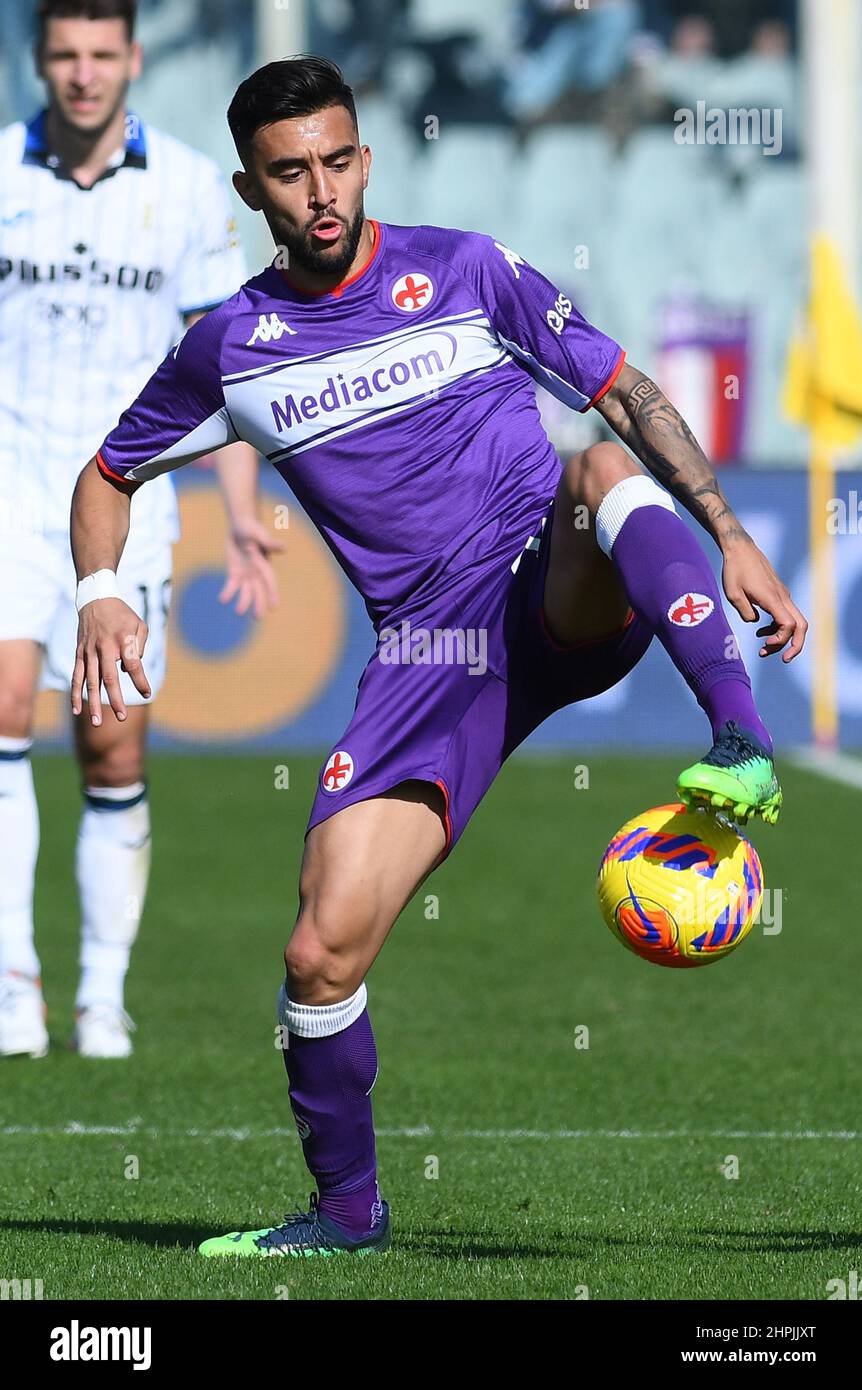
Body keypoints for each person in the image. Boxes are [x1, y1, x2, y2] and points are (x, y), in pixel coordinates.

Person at [69, 56, 807, 1255]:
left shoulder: (464, 270)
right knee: (318, 953)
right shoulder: (229, 348)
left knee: (595, 471)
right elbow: (106, 475)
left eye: (338, 159)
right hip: (428, 656)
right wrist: (102, 589)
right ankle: (346, 1213)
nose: (321, 189)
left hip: (550, 582)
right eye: (290, 170)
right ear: (252, 191)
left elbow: (619, 391)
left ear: (365, 155)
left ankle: (738, 736)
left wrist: (724, 530)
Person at [0, 0, 279, 1061]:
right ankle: (13, 982)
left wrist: (244, 514)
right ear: (40, 61)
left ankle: (101, 994)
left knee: (110, 741)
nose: (82, 74)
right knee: (4, 708)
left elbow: (230, 371)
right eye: (64, 55)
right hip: (9, 486)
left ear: (133, 59)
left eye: (100, 55)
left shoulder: (189, 188)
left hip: (130, 495)